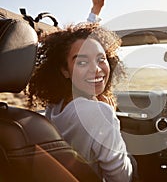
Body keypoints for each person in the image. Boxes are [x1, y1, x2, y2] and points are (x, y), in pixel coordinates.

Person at [26, 22, 134, 182]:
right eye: (82, 62)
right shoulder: (98, 112)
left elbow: (75, 46)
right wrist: (111, 116)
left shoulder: (55, 105)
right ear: (65, 70)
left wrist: (94, 12)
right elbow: (122, 177)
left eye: (101, 59)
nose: (96, 69)